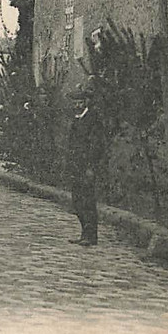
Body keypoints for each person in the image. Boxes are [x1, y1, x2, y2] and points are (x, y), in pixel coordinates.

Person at [68, 79, 105, 247]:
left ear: (85, 102)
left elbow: (97, 145)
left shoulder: (92, 119)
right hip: (75, 167)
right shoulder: (76, 120)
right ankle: (84, 232)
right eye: (75, 103)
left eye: (80, 102)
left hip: (87, 167)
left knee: (88, 201)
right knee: (77, 201)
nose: (77, 106)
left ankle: (91, 235)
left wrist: (91, 167)